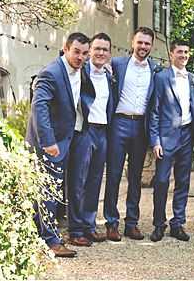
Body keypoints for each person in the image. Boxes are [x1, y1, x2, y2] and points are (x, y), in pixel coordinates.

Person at [26, 32, 90, 258]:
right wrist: (48, 142)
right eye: (76, 52)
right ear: (65, 48)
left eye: (85, 53)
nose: (81, 57)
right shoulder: (50, 73)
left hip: (71, 137)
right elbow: (39, 108)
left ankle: (37, 234)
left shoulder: (82, 70)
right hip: (50, 142)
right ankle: (51, 241)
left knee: (58, 189)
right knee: (49, 192)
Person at [103, 27, 158, 241]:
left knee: (136, 177)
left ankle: (132, 223)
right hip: (119, 123)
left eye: (147, 43)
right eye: (140, 42)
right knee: (114, 175)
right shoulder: (117, 64)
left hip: (141, 126)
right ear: (132, 42)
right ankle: (111, 222)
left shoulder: (156, 69)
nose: (143, 47)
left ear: (151, 46)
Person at [66, 33, 114, 247]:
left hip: (103, 131)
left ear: (109, 53)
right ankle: (75, 230)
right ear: (89, 51)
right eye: (97, 49)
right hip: (84, 131)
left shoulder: (110, 76)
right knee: (78, 182)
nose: (100, 53)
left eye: (105, 49)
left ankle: (89, 225)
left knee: (95, 181)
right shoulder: (80, 71)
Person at [149, 41, 194, 242]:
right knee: (161, 181)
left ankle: (178, 223)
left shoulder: (193, 79)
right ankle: (158, 224)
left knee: (183, 182)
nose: (183, 55)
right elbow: (154, 111)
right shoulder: (161, 78)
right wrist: (155, 141)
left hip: (187, 136)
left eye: (186, 52)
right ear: (171, 54)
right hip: (166, 137)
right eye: (180, 52)